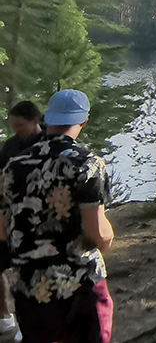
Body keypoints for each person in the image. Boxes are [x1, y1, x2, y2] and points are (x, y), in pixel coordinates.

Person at [0, 90, 114, 343]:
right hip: (79, 284)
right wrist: (107, 240)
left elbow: (2, 231)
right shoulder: (86, 164)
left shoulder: (13, 165)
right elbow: (96, 231)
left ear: (46, 119)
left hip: (30, 288)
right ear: (83, 121)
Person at [0, 101, 45, 337]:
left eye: (20, 125)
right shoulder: (10, 146)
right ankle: (5, 318)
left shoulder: (49, 142)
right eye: (12, 125)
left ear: (35, 120)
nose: (16, 129)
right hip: (10, 216)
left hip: (38, 220)